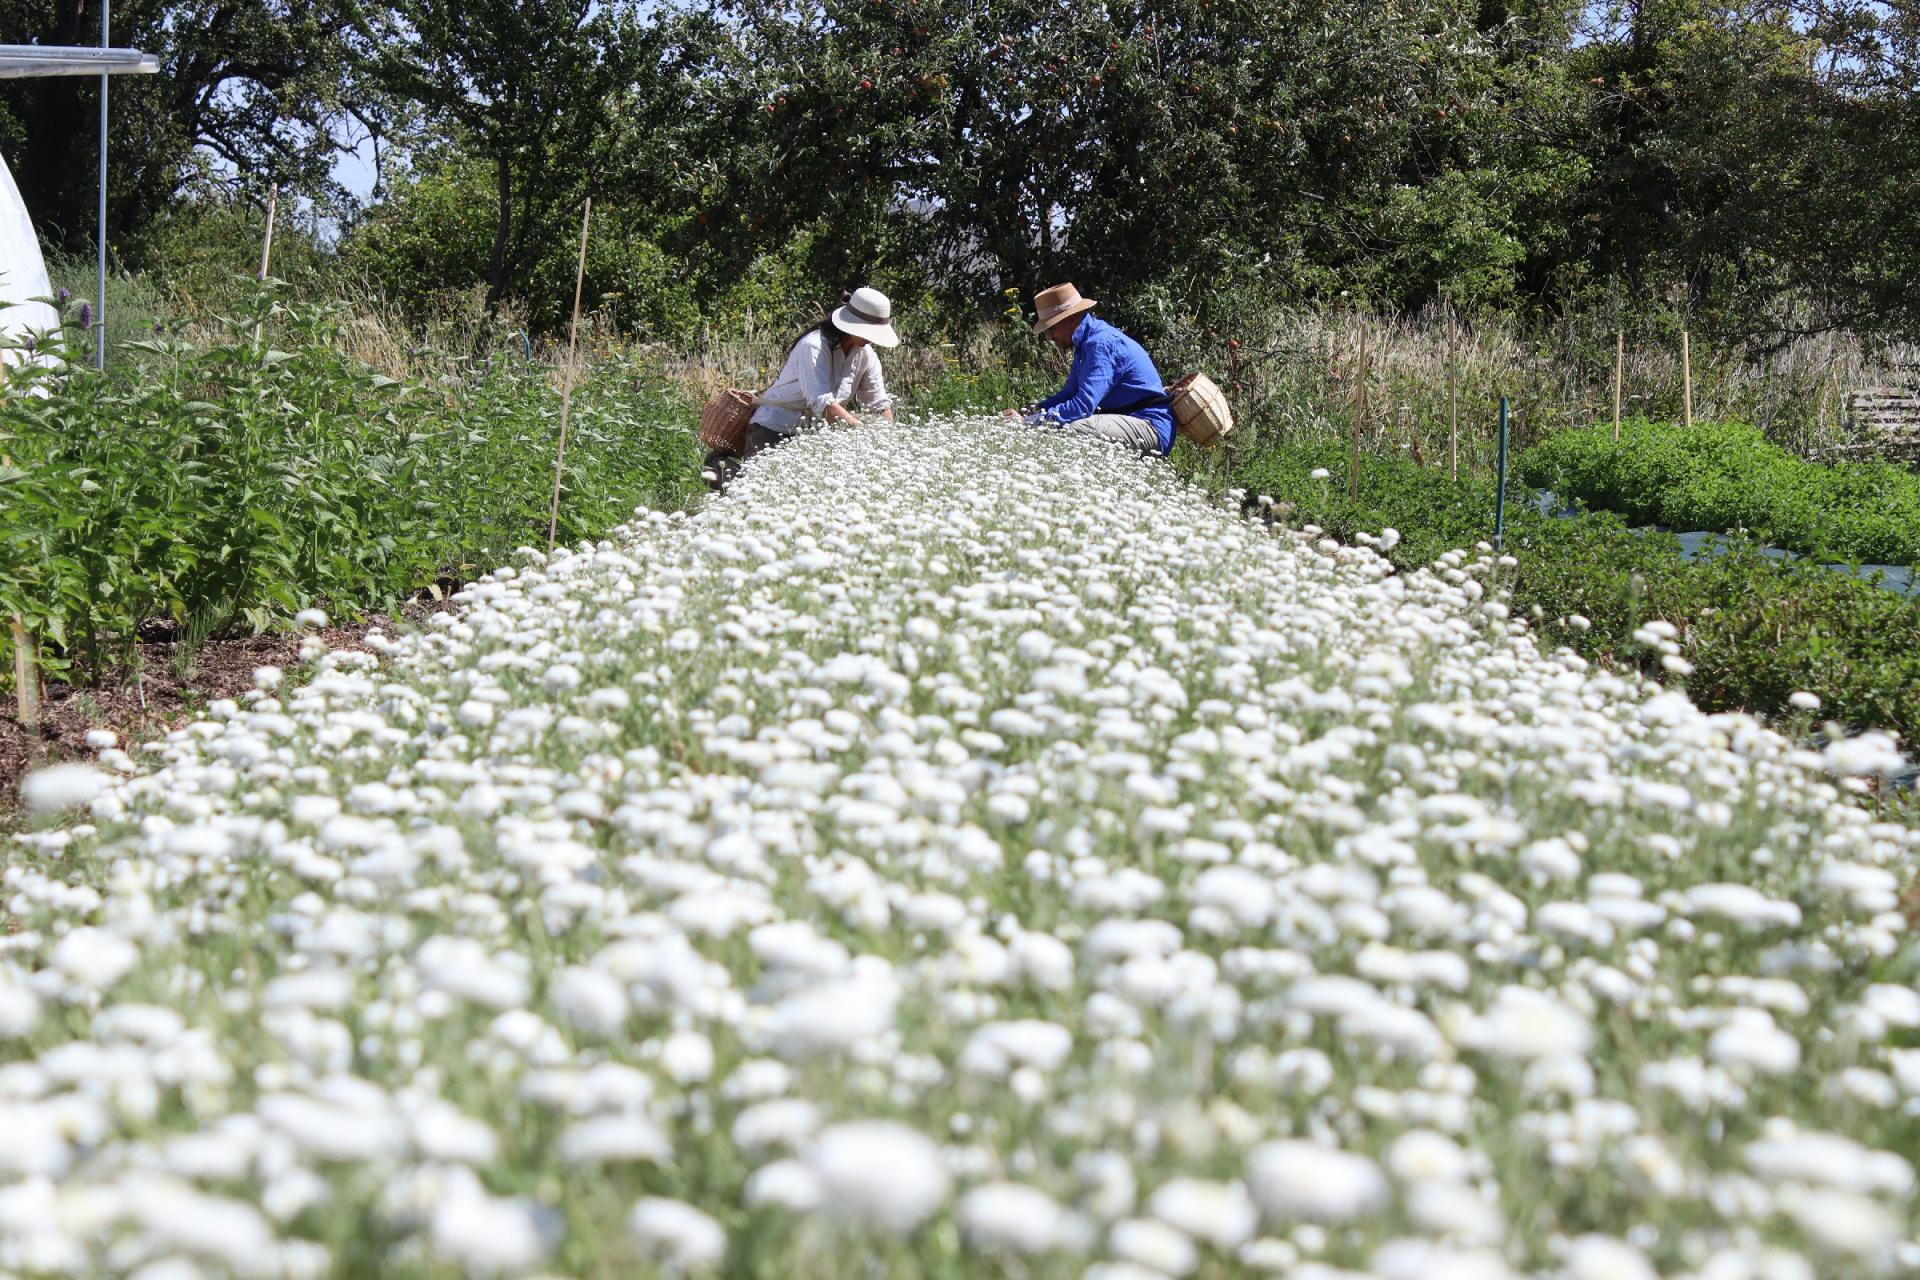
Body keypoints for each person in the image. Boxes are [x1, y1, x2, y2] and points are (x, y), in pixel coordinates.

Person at [704, 287, 901, 488]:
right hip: (775, 427)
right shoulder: (814, 345)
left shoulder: (867, 356)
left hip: (813, 434)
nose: (872, 338)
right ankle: (717, 466)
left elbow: (879, 404)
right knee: (759, 490)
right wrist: (859, 428)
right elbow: (823, 403)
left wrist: (888, 442)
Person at [1002, 282, 1174, 457]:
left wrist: (1028, 422)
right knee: (1060, 426)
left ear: (1071, 318)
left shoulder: (1100, 344)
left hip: (1149, 426)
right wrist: (1028, 411)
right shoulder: (1085, 344)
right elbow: (1069, 394)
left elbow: (1083, 405)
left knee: (1075, 428)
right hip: (1130, 420)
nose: (1049, 337)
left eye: (1051, 328)